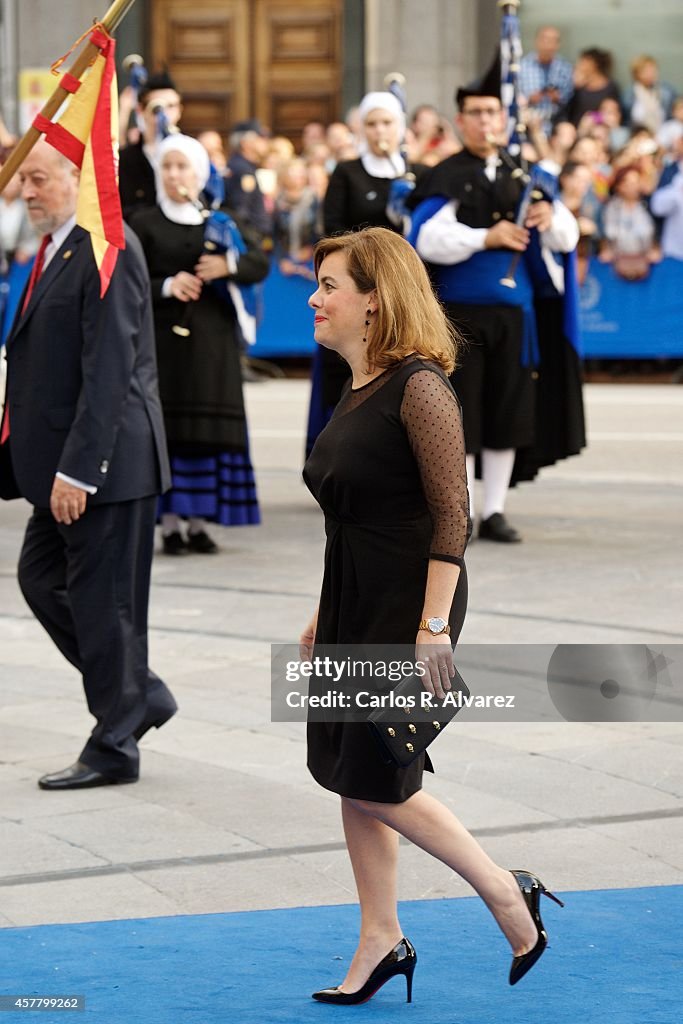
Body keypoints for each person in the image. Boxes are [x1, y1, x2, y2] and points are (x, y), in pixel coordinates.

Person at [301, 227, 563, 1005]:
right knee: (354, 775)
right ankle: (380, 937)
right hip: (355, 595)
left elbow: (454, 514)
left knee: (381, 777)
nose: (314, 299)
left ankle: (502, 890)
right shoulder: (355, 385)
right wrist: (322, 610)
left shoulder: (419, 385)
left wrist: (431, 630)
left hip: (410, 602)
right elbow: (342, 512)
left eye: (328, 285)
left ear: (374, 300)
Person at [0, 141, 176, 789]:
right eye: (22, 180)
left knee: (106, 606)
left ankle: (114, 744)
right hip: (59, 464)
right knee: (41, 579)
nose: (27, 190)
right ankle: (137, 694)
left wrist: (80, 470)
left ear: (80, 176)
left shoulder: (109, 246)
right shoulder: (55, 248)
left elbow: (111, 369)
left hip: (104, 464)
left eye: (40, 178)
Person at [408, 67, 578, 542]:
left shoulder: (526, 177)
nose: (486, 122)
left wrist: (551, 216)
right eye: (476, 113)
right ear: (461, 120)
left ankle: (495, 509)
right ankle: (455, 512)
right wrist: (487, 236)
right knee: (459, 412)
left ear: (504, 119)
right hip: (459, 317)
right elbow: (426, 238)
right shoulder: (446, 175)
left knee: (508, 410)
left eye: (493, 113)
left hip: (514, 318)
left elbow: (568, 236)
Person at [130, 134, 268, 554]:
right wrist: (169, 284)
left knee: (204, 435)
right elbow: (128, 281)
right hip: (161, 342)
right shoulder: (143, 222)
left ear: (200, 173)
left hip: (212, 344)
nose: (174, 175)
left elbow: (258, 261)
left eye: (182, 167)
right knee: (168, 433)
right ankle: (169, 524)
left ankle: (199, 523)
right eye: (167, 167)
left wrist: (225, 264)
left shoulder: (220, 220)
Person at [306, 90, 426, 455]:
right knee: (346, 373)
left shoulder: (416, 174)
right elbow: (332, 232)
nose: (379, 131)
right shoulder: (347, 172)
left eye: (386, 123)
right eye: (371, 124)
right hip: (356, 288)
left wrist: (408, 214)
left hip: (402, 292)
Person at [118, 71, 183, 221]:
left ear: (180, 110)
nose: (164, 114)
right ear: (141, 110)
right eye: (157, 108)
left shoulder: (192, 152)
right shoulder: (126, 160)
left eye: (171, 106)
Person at [518, 26, 574, 137]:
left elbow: (569, 97)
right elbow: (516, 95)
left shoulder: (565, 68)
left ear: (558, 44)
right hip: (529, 118)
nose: (548, 45)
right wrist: (530, 98)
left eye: (553, 41)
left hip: (555, 118)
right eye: (545, 40)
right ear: (537, 41)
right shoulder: (522, 66)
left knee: (566, 134)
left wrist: (557, 97)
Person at [561, 49, 621, 128]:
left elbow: (614, 113)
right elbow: (566, 110)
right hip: (575, 130)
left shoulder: (611, 87)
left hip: (601, 131)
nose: (579, 65)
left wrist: (594, 118)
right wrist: (572, 86)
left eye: (583, 61)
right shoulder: (577, 87)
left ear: (593, 64)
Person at [623, 56, 675, 135]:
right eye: (646, 71)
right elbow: (626, 120)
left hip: (663, 134)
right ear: (636, 74)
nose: (651, 73)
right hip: (638, 135)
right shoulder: (629, 94)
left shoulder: (666, 90)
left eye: (653, 70)